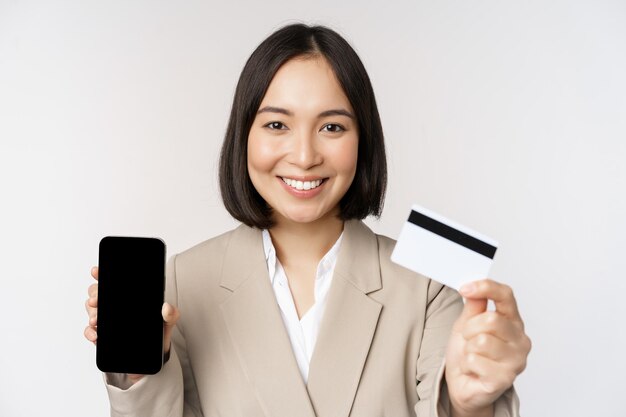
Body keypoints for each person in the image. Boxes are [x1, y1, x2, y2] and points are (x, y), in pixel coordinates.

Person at [84, 23, 531, 417]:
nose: (303, 156)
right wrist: (139, 375)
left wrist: (469, 406)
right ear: (243, 137)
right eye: (277, 125)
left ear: (364, 141)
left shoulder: (427, 285)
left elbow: (456, 403)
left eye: (332, 127)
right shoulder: (185, 279)